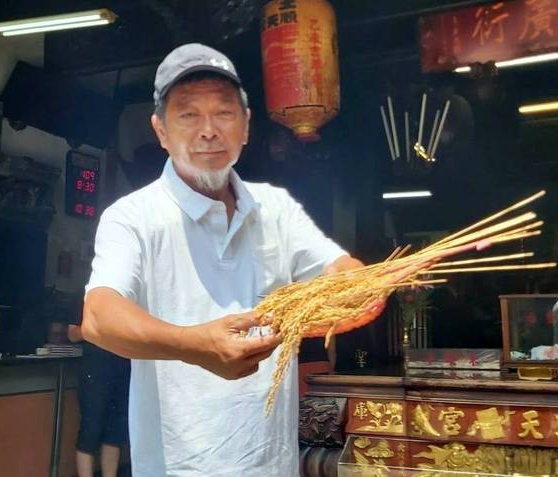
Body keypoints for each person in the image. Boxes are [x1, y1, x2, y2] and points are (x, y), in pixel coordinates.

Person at [81, 43, 382, 476]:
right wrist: (195, 345)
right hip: (178, 467)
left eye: (224, 112)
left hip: (271, 465)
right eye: (187, 114)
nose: (208, 131)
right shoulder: (133, 216)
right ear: (161, 131)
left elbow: (338, 269)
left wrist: (364, 283)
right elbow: (98, 317)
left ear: (245, 126)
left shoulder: (274, 208)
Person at [68, 317, 130, 477]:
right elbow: (72, 334)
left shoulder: (126, 298)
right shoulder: (85, 297)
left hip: (123, 366)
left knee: (115, 433)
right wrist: (99, 325)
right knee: (91, 429)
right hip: (95, 368)